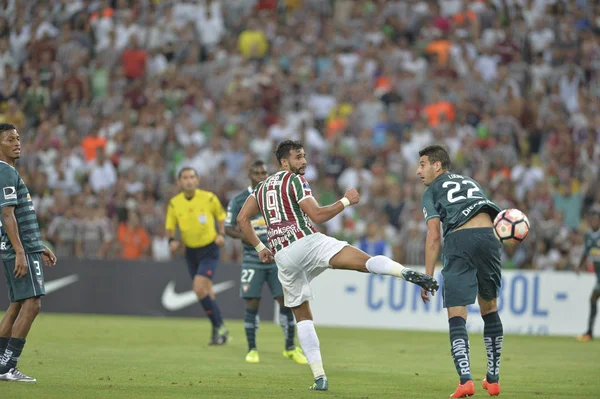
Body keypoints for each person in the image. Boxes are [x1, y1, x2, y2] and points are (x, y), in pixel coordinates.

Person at [237, 140, 439, 391]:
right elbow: (318, 215)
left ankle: (319, 376)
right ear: (284, 162)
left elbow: (242, 219)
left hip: (283, 257)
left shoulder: (261, 187)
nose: (304, 161)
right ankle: (404, 272)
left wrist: (260, 248)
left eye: (304, 156)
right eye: (298, 157)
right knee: (362, 262)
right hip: (306, 242)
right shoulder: (295, 181)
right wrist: (346, 201)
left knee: (302, 316)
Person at [416, 145, 504, 398]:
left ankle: (466, 380)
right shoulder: (470, 182)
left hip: (459, 239)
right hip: (489, 237)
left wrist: (427, 276)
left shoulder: (431, 191)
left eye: (422, 164)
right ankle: (493, 379)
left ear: (437, 165)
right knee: (490, 308)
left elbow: (433, 236)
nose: (418, 171)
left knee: (457, 313)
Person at [225, 159, 307, 364]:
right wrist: (244, 236)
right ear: (250, 175)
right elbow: (227, 228)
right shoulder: (239, 200)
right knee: (252, 304)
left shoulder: (275, 195)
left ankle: (290, 348)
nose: (262, 176)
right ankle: (252, 349)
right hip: (253, 259)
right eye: (257, 173)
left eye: (264, 172)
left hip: (279, 259)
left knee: (286, 304)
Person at [0, 123, 57, 382]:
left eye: (18, 138)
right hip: (17, 251)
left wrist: (36, 246)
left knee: (16, 306)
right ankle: (8, 367)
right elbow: (7, 214)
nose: (17, 142)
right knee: (32, 305)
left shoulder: (8, 171)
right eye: (10, 139)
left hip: (20, 247)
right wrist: (22, 252)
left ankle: (1, 365)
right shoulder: (5, 172)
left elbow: (16, 217)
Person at [165, 167, 229, 345]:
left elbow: (221, 215)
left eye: (192, 177)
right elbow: (170, 224)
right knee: (206, 291)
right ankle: (220, 330)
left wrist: (221, 234)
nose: (188, 180)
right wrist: (171, 240)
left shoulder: (208, 198)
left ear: (197, 180)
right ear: (179, 182)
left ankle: (220, 328)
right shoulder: (174, 203)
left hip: (209, 249)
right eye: (185, 178)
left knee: (199, 288)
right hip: (190, 252)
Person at [576, 206, 600, 342]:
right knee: (593, 300)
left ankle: (589, 332)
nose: (593, 221)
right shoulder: (589, 235)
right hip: (598, 275)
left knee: (593, 299)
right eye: (591, 219)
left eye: (595, 218)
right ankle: (589, 332)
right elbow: (586, 252)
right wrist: (580, 266)